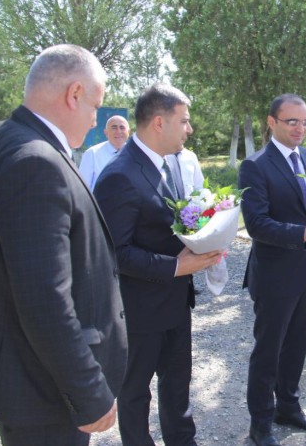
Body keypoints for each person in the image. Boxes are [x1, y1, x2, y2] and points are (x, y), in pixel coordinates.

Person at [0, 44, 127, 445]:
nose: (94, 120)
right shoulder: (35, 161)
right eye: (94, 106)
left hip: (29, 377)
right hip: (43, 389)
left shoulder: (2, 138)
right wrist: (88, 392)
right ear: (73, 94)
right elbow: (44, 298)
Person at [94, 84, 222, 446]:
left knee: (178, 384)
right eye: (184, 121)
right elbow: (114, 252)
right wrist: (177, 267)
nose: (190, 129)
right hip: (139, 309)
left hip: (176, 303)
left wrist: (207, 238)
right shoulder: (120, 175)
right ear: (158, 122)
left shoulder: (172, 165)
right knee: (135, 393)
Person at [239, 94, 306, 446]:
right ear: (272, 122)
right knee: (269, 349)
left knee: (296, 345)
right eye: (292, 121)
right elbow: (257, 225)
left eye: (305, 121)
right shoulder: (255, 165)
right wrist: (302, 232)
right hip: (275, 274)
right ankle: (260, 422)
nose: (300, 128)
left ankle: (288, 407)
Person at [79, 115, 130, 190]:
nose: (118, 131)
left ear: (128, 132)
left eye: (122, 128)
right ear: (106, 132)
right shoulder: (92, 154)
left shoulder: (136, 155)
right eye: (114, 128)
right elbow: (82, 188)